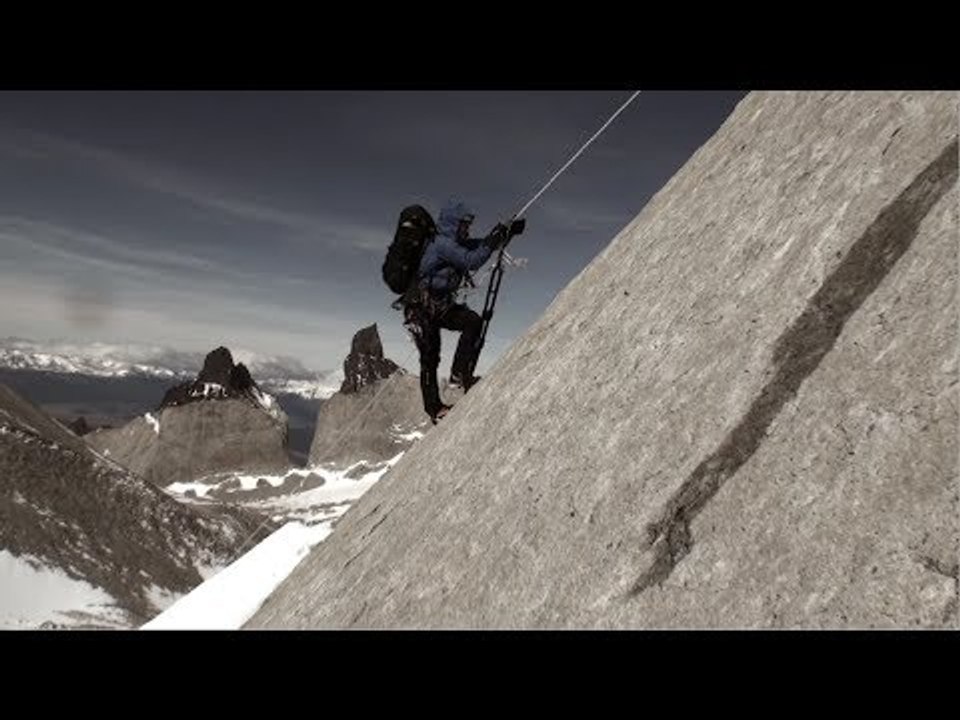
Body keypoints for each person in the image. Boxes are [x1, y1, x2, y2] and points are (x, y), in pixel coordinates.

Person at [402, 199, 524, 422]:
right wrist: (498, 234)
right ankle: (434, 409)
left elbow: (481, 246)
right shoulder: (441, 244)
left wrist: (506, 233)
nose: (467, 229)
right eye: (464, 224)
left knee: (472, 321)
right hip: (421, 308)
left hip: (438, 306)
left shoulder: (454, 243)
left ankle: (459, 374)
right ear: (452, 223)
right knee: (430, 357)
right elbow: (473, 260)